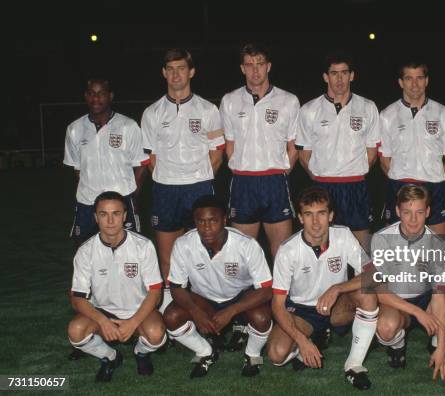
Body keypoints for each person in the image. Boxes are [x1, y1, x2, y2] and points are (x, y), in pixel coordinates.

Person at [267, 187, 379, 390]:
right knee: (277, 355)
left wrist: (337, 288)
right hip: (302, 311)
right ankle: (311, 339)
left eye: (321, 213)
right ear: (300, 218)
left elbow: (374, 274)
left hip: (336, 307)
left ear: (331, 215)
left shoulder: (343, 235)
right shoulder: (288, 250)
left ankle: (354, 365)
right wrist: (301, 341)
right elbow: (277, 306)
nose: (316, 222)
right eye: (309, 215)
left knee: (366, 293)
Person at [141, 48, 225, 311]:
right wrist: (169, 177)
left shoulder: (208, 109)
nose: (176, 74)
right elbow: (150, 158)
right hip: (166, 191)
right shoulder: (152, 113)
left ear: (191, 72)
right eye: (171, 69)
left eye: (181, 68)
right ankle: (170, 309)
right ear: (164, 73)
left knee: (205, 252)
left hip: (198, 189)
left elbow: (217, 153)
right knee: (167, 256)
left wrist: (197, 177)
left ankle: (209, 305)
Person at [371, 185, 445, 380]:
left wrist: (443, 348)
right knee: (386, 328)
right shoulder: (382, 239)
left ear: (428, 212)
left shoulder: (438, 245)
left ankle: (435, 342)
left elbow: (439, 297)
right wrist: (417, 313)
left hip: (426, 299)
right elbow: (380, 292)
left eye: (419, 212)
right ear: (397, 212)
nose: (413, 219)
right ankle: (398, 345)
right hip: (395, 301)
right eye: (407, 212)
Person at [163, 195, 273, 378]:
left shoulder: (246, 245)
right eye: (201, 221)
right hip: (204, 297)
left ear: (224, 219)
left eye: (213, 221)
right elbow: (176, 287)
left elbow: (267, 289)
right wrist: (195, 312)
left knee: (261, 317)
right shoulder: (183, 244)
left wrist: (231, 311)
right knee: (171, 316)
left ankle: (253, 356)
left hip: (240, 296)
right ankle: (206, 352)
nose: (207, 228)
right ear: (194, 222)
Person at [67, 191, 166, 382]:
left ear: (125, 216)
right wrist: (103, 321)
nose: (110, 220)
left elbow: (155, 292)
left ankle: (141, 352)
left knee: (156, 334)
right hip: (103, 311)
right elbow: (77, 298)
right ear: (96, 217)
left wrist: (133, 322)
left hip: (138, 310)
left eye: (116, 213)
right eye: (104, 214)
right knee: (75, 331)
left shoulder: (143, 246)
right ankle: (110, 357)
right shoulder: (85, 251)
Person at [219, 43, 299, 258]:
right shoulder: (229, 101)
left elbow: (293, 148)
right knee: (243, 254)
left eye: (260, 64)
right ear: (242, 68)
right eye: (249, 64)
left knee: (282, 253)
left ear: (269, 66)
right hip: (243, 183)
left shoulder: (288, 101)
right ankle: (249, 292)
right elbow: (230, 146)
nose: (255, 70)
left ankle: (283, 293)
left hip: (274, 181)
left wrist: (280, 174)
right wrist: (243, 168)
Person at [296, 51, 380, 251]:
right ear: (326, 76)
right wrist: (321, 177)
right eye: (334, 73)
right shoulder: (309, 110)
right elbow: (304, 155)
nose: (340, 79)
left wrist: (351, 172)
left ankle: (362, 282)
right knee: (326, 247)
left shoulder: (367, 107)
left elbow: (372, 153)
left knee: (361, 250)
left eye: (344, 73)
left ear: (352, 75)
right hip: (324, 187)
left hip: (355, 187)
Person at [379, 61, 445, 236]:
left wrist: (433, 183)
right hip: (399, 187)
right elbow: (384, 160)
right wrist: (403, 189)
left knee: (437, 250)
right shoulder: (387, 114)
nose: (414, 84)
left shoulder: (443, 113)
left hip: (434, 188)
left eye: (419, 78)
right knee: (399, 253)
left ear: (427, 81)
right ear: (401, 82)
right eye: (409, 78)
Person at [63, 78, 148, 246]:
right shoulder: (74, 129)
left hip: (122, 200)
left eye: (101, 94)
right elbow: (77, 168)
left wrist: (128, 196)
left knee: (128, 252)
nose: (96, 98)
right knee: (86, 251)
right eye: (92, 94)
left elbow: (142, 164)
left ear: (110, 96)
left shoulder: (128, 126)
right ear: (86, 96)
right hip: (87, 202)